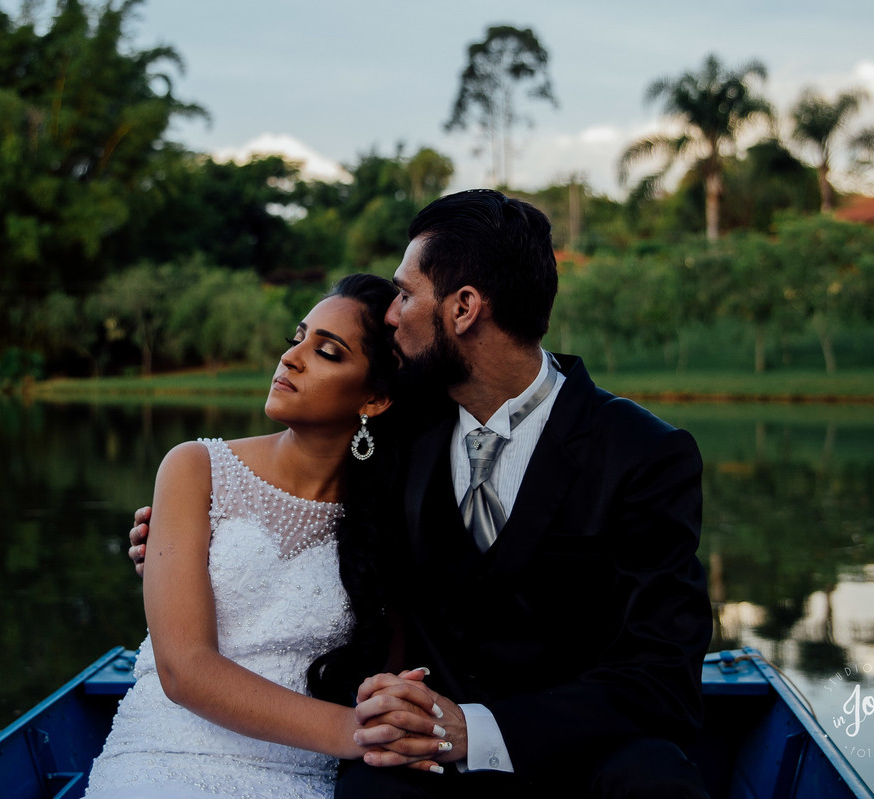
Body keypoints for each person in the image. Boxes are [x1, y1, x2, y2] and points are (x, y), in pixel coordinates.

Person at [132, 190, 713, 798]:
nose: (391, 313)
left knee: (656, 783)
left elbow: (664, 679)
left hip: (583, 754)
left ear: (463, 309)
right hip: (426, 760)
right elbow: (311, 492)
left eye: (406, 295)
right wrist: (179, 532)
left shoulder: (643, 453)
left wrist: (477, 730)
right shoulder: (401, 427)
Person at [85, 274, 446, 799]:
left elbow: (391, 672)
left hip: (300, 773)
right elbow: (183, 669)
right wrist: (353, 732)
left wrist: (389, 718)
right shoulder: (195, 467)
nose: (291, 358)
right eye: (295, 339)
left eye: (326, 351)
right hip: (162, 754)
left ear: (374, 399)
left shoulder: (387, 516)